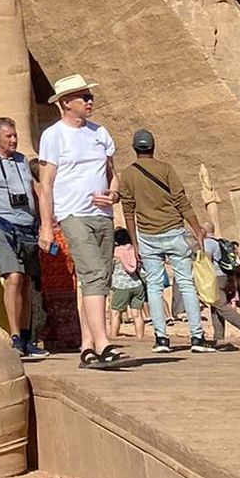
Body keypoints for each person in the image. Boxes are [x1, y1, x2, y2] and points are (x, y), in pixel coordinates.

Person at [37, 74, 121, 369]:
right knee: (94, 273)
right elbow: (45, 184)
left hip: (102, 214)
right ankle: (103, 342)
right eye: (83, 97)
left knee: (96, 280)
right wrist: (47, 225)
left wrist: (113, 194)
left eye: (89, 96)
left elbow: (112, 173)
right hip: (73, 213)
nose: (89, 101)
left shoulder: (100, 132)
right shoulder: (54, 135)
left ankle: (87, 346)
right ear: (64, 103)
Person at [117, 128, 209, 352]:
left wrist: (134, 240)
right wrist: (196, 228)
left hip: (147, 235)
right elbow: (181, 200)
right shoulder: (165, 169)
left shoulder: (127, 174)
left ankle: (161, 339)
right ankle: (196, 337)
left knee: (155, 288)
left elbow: (128, 210)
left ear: (134, 149)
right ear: (153, 146)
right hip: (173, 230)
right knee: (186, 284)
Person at [0, 117, 48, 358]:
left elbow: (35, 191)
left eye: (15, 135)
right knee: (13, 277)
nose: (13, 140)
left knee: (26, 281)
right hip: (0, 224)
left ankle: (26, 337)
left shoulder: (22, 161)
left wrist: (44, 222)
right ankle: (14, 335)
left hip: (26, 226)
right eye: (8, 136)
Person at [108, 228, 147, 341]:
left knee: (116, 312)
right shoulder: (134, 250)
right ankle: (140, 338)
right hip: (137, 285)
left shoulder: (115, 253)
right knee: (137, 313)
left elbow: (110, 269)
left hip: (121, 286)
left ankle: (113, 337)